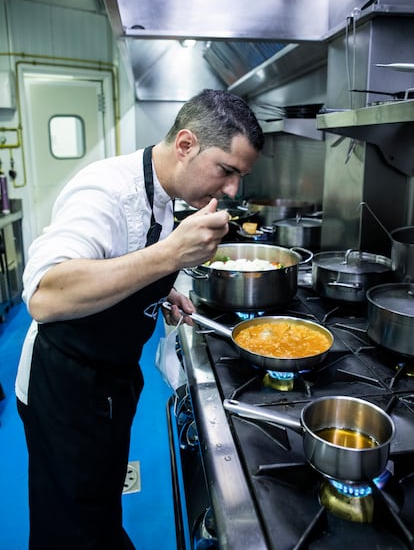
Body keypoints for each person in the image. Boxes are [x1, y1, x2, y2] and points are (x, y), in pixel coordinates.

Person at [15, 88, 264, 550]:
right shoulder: (106, 190)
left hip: (112, 380)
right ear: (186, 144)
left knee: (99, 500)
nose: (232, 190)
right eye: (226, 171)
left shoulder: (167, 192)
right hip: (66, 389)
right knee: (67, 522)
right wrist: (170, 255)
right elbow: (46, 293)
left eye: (239, 177)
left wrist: (159, 288)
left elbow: (121, 258)